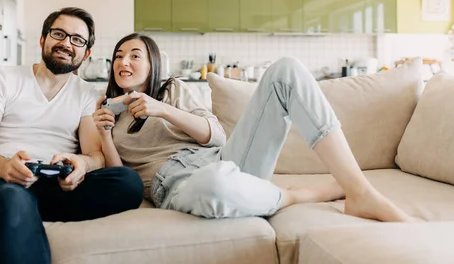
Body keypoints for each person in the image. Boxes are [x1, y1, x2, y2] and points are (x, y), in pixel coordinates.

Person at [92, 33, 417, 223]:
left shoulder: (173, 90)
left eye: (135, 55)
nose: (124, 62)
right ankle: (297, 195)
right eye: (119, 56)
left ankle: (359, 190)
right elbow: (126, 183)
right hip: (178, 183)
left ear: (152, 65)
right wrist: (106, 135)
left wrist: (162, 109)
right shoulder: (109, 116)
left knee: (286, 70)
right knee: (216, 184)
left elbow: (216, 135)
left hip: (225, 157)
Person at [0, 8, 144, 264]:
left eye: (77, 40)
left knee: (128, 182)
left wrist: (81, 164)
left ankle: (24, 211)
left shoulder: (87, 94)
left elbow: (95, 155)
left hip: (54, 184)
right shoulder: (3, 79)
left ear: (86, 53)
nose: (66, 43)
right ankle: (18, 208)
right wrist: (5, 167)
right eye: (59, 34)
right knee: (12, 197)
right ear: (42, 39)